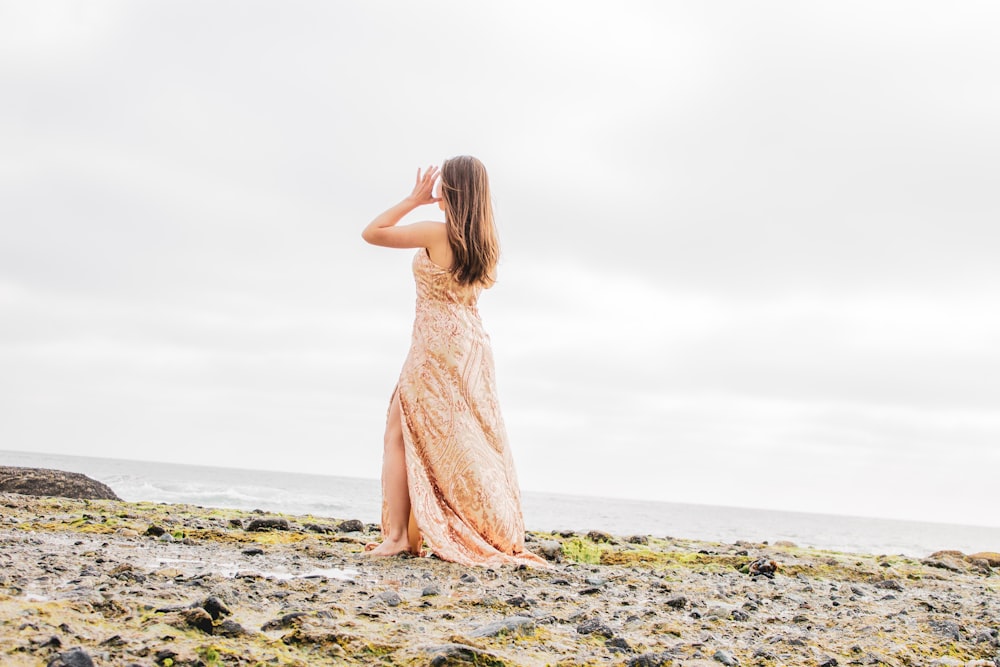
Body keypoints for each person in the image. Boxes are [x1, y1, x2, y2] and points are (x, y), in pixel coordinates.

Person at [360, 156, 546, 568]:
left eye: (442, 184)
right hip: (471, 346)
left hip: (435, 345)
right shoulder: (484, 243)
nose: (436, 190)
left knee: (399, 429)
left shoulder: (435, 232)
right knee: (465, 441)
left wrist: (412, 199)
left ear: (454, 190)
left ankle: (397, 538)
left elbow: (372, 233)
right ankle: (473, 525)